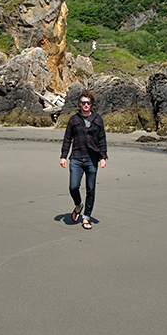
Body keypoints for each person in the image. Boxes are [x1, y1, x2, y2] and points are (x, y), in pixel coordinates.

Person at [60, 90, 107, 230]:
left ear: (91, 104)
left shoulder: (98, 119)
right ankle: (78, 205)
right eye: (83, 103)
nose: (85, 105)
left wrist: (103, 157)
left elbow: (102, 139)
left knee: (91, 189)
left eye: (88, 102)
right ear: (79, 104)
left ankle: (86, 217)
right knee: (73, 186)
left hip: (92, 159)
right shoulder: (74, 119)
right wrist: (63, 156)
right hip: (76, 158)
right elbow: (67, 139)